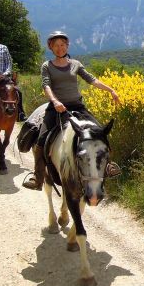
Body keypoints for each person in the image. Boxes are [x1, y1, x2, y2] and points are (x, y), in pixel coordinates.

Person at [21, 31, 121, 190]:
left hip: (77, 106)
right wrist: (54, 101)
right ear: (51, 48)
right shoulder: (47, 66)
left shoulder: (76, 64)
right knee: (41, 140)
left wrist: (111, 90)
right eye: (56, 45)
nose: (60, 48)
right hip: (56, 109)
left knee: (100, 132)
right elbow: (46, 85)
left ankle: (108, 166)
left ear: (67, 46)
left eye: (62, 45)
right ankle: (37, 177)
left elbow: (91, 79)